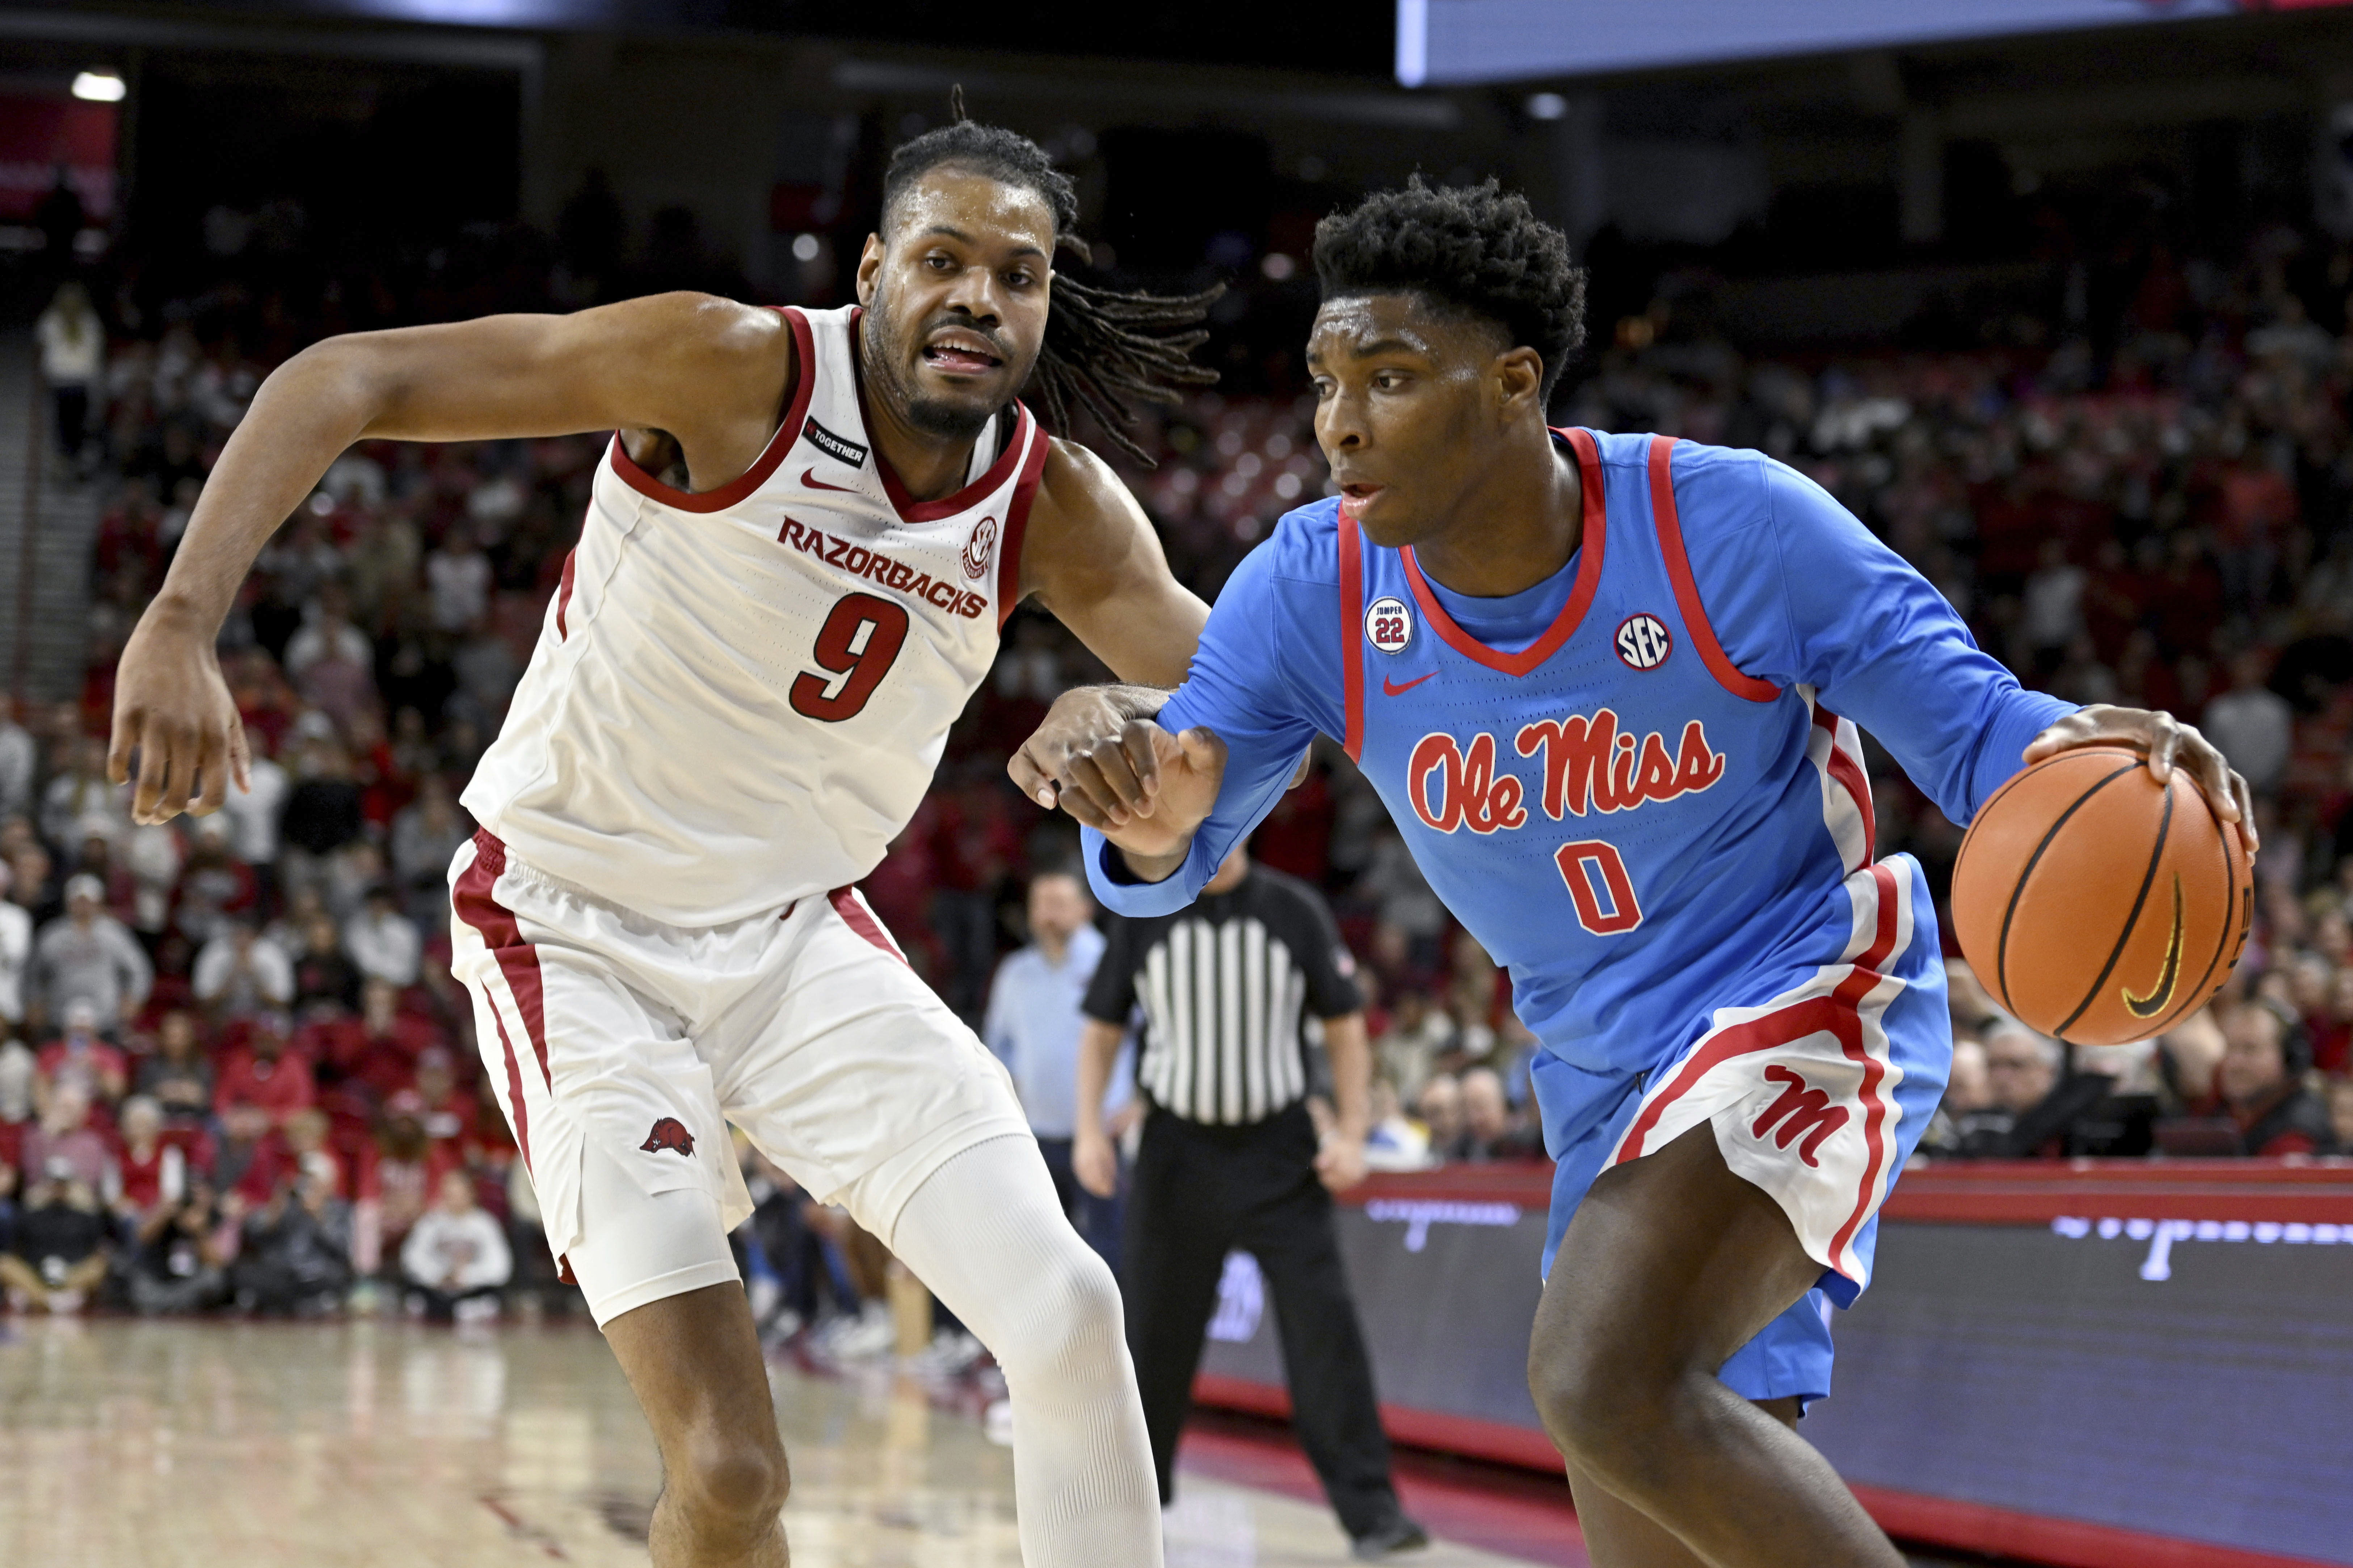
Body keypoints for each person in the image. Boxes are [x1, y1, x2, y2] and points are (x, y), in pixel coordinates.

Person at [1020, 177, 2255, 1568]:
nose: (1338, 421)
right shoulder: (1309, 588)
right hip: (1596, 1068)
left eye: (1388, 375)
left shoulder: (1727, 525)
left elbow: (1970, 728)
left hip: (1802, 986)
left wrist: (2077, 752)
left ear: (1511, 383)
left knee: (1599, 1374)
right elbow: (1174, 829)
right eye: (1322, 380)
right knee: (1658, 1503)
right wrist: (1121, 791)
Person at [108, 110, 1228, 1568]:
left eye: (1015, 276)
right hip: (570, 931)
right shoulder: (728, 367)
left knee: (1072, 1313)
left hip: (792, 939)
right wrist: (185, 618)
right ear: (876, 272)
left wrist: (1125, 720)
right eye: (941, 261)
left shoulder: (1058, 509)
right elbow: (351, 375)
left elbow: (1236, 726)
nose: (977, 299)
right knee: (731, 1469)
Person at [1075, 842, 1427, 1560]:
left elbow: (1344, 1024)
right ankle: (1134, 1509)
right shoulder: (1143, 911)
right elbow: (1102, 1030)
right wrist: (1089, 1130)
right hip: (1177, 1154)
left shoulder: (1292, 909)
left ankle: (1373, 1514)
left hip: (1280, 1155)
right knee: (1152, 1340)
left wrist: (1354, 1131)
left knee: (1324, 1329)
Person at [980, 867, 1130, 1263]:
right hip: (1037, 1135)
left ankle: (1115, 1329)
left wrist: (1135, 1101)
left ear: (1084, 909)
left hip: (1102, 1132)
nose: (1048, 915)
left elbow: (1147, 1037)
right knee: (1043, 1249)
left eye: (1059, 904)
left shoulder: (1109, 962)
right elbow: (997, 1047)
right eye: (1040, 905)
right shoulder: (1015, 973)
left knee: (1108, 1245)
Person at [31, 872, 150, 1032]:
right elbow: (34, 974)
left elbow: (139, 969)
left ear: (98, 903)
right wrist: (35, 1002)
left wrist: (135, 998)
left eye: (87, 901)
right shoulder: (53, 935)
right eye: (78, 901)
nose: (83, 906)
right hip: (59, 1020)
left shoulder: (115, 934)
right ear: (69, 903)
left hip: (105, 1020)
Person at [401, 1167, 513, 1322]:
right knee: (415, 1295)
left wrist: (466, 1277)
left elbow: (501, 1267)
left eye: (458, 1194)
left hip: (472, 1289)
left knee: (491, 1298)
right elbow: (412, 1258)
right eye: (449, 1194)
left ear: (471, 1194)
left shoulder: (486, 1224)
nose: (453, 1199)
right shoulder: (431, 1221)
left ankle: (469, 1309)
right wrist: (439, 1276)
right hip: (436, 1287)